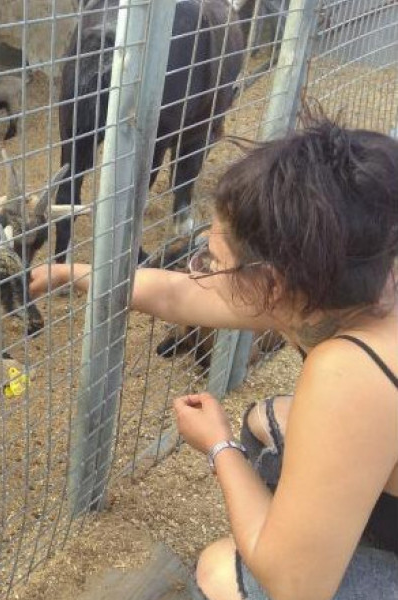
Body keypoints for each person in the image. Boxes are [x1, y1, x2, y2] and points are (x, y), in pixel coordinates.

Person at [31, 115, 398, 599]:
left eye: (214, 260)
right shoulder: (355, 274)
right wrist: (71, 273)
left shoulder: (350, 370)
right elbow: (179, 295)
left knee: (219, 568)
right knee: (267, 420)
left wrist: (219, 447)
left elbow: (296, 587)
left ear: (275, 284)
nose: (202, 269)